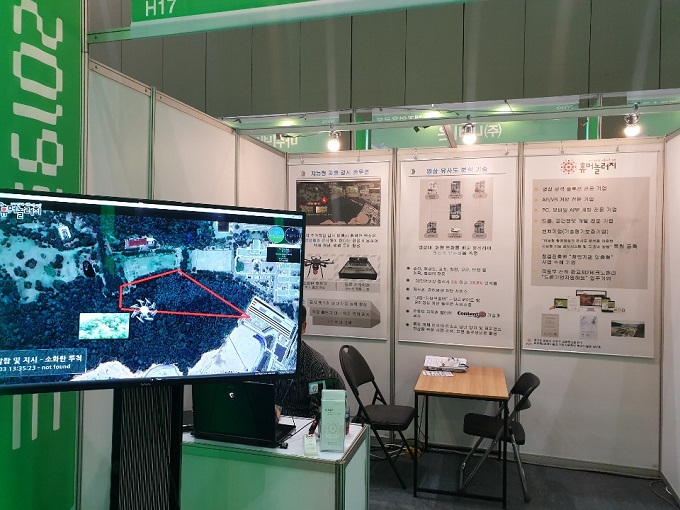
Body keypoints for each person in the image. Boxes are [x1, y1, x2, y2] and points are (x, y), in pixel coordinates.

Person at [274, 305, 345, 419]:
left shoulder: (315, 364)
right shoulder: (262, 363)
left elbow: (317, 414)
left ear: (303, 327)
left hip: (300, 422)